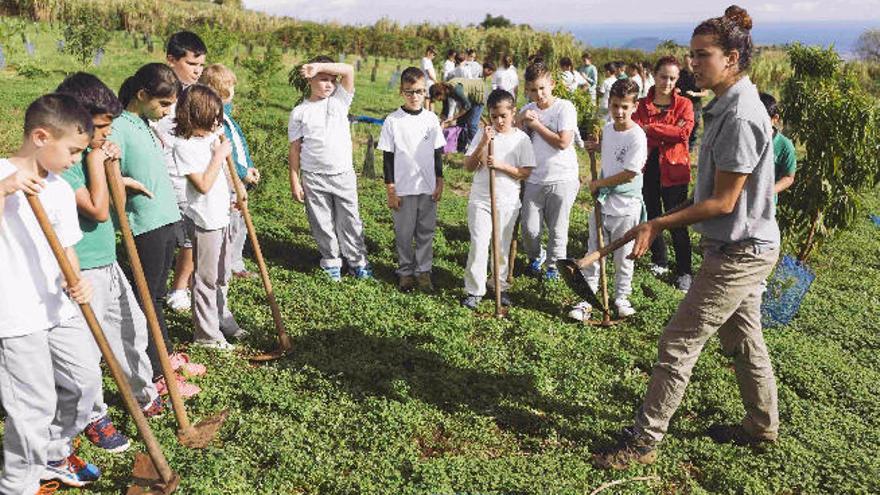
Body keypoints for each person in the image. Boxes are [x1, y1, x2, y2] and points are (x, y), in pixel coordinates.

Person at [595, 5, 782, 469]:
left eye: (703, 55)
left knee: (678, 343)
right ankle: (762, 427)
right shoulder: (725, 104)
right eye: (692, 54)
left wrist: (657, 222)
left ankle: (644, 440)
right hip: (745, 242)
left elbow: (723, 202)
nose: (693, 64)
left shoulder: (740, 115)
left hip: (740, 251)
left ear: (732, 58)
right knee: (745, 340)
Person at [55, 73, 165, 456]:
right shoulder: (65, 163)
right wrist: (96, 161)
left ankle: (141, 393)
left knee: (131, 328)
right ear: (77, 123)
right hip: (80, 269)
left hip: (107, 260)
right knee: (87, 351)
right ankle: (93, 416)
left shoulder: (95, 153)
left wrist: (112, 167)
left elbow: (114, 200)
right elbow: (99, 211)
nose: (105, 134)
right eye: (100, 127)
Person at [0, 94, 104, 490]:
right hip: (15, 315)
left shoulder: (59, 188)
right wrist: (4, 190)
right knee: (33, 406)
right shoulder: (1, 175)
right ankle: (17, 484)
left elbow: (67, 248)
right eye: (73, 151)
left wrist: (77, 279)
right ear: (41, 136)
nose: (76, 160)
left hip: (59, 308)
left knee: (85, 383)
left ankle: (52, 453)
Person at [113, 63, 201, 395]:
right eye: (163, 104)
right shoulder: (120, 126)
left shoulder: (146, 124)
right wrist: (124, 181)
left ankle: (165, 356)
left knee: (157, 297)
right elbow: (105, 169)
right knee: (146, 300)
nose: (166, 112)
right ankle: (156, 373)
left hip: (166, 219)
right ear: (142, 95)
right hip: (145, 224)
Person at [288, 56, 373, 281]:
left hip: (342, 174)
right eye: (322, 79)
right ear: (309, 81)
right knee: (321, 222)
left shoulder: (339, 101)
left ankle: (357, 261)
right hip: (314, 177)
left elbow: (348, 70)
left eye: (331, 80)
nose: (328, 84)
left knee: (350, 220)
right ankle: (332, 261)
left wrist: (320, 67)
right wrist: (295, 180)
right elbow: (295, 149)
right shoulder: (300, 112)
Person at [173, 85, 245, 350]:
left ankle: (222, 318)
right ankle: (206, 334)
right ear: (196, 116)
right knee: (206, 278)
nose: (217, 122)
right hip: (205, 221)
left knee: (223, 273)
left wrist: (236, 190)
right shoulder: (184, 146)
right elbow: (202, 183)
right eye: (213, 117)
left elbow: (224, 172)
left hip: (223, 214)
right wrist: (218, 154)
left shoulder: (211, 136)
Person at [569, 79, 647, 321]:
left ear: (635, 106)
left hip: (626, 205)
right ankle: (588, 298)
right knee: (595, 249)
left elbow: (629, 173)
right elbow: (612, 152)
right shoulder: (609, 128)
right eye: (615, 106)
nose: (619, 112)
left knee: (623, 255)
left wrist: (598, 184)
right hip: (603, 203)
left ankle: (621, 298)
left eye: (625, 106)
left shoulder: (637, 136)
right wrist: (597, 147)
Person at [461, 89, 535, 309]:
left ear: (513, 112)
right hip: (481, 200)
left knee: (501, 246)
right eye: (494, 116)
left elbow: (526, 172)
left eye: (504, 115)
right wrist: (483, 143)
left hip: (508, 201)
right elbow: (468, 167)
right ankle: (475, 290)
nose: (499, 120)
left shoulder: (521, 139)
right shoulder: (484, 134)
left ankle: (499, 286)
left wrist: (500, 165)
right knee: (479, 244)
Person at [378, 67, 446, 292]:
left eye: (418, 91)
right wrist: (391, 188)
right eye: (409, 92)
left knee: (426, 230)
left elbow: (437, 153)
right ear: (401, 92)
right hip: (403, 188)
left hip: (427, 187)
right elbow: (388, 157)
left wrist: (440, 179)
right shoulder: (393, 121)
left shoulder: (431, 119)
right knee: (404, 232)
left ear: (425, 91)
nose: (414, 96)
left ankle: (423, 271)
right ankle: (406, 272)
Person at [633, 56, 695, 292]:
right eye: (663, 77)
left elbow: (683, 133)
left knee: (677, 220)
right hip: (647, 167)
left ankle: (684, 270)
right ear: (654, 76)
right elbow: (636, 131)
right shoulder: (640, 105)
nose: (667, 83)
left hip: (674, 169)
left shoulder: (684, 105)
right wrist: (666, 130)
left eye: (672, 78)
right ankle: (659, 259)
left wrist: (651, 128)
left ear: (677, 80)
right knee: (651, 215)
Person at [157, 31, 208, 313]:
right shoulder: (159, 90)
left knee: (190, 235)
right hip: (159, 176)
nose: (197, 71)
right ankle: (154, 285)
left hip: (187, 177)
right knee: (162, 237)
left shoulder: (195, 96)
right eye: (191, 65)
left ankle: (179, 288)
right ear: (171, 60)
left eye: (201, 66)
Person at [518, 61, 581, 280]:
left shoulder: (564, 108)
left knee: (557, 229)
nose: (539, 94)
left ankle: (554, 267)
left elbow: (563, 142)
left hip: (562, 177)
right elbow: (514, 136)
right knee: (529, 228)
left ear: (552, 84)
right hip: (535, 178)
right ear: (527, 89)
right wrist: (521, 123)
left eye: (542, 88)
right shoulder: (526, 110)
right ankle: (536, 255)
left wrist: (535, 126)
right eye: (533, 89)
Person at [199, 64, 261, 279]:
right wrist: (242, 173)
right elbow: (227, 156)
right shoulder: (214, 121)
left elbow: (240, 146)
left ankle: (234, 262)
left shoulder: (228, 118)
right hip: (229, 181)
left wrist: (248, 167)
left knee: (240, 223)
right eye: (230, 87)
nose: (233, 92)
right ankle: (226, 264)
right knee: (231, 223)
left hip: (241, 178)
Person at [429, 78, 486, 153]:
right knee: (460, 122)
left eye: (439, 99)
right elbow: (445, 110)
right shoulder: (445, 93)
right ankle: (461, 148)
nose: (439, 101)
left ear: (440, 93)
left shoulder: (456, 90)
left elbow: (467, 106)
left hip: (478, 98)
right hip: (468, 100)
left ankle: (479, 149)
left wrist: (454, 117)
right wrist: (441, 122)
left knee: (472, 124)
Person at [759, 92, 797, 202]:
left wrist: (769, 191)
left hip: (765, 207)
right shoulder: (743, 138)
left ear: (775, 118)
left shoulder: (784, 145)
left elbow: (789, 177)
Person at [677, 53, 709, 149]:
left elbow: (705, 93)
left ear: (692, 61)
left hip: (695, 106)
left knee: (694, 126)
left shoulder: (698, 74)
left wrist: (694, 94)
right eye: (685, 62)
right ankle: (682, 145)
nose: (687, 64)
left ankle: (690, 147)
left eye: (688, 61)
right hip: (682, 105)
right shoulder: (680, 74)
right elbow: (675, 87)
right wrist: (676, 90)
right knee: (682, 126)